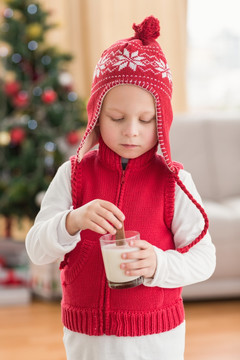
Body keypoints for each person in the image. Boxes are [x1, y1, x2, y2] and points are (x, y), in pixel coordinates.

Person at [26, 16, 216, 360]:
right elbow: (36, 249)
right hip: (87, 337)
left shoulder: (174, 183)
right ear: (97, 116)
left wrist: (157, 263)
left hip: (156, 337)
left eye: (146, 120)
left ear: (163, 121)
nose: (131, 131)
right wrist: (72, 221)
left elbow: (204, 259)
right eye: (117, 118)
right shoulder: (73, 175)